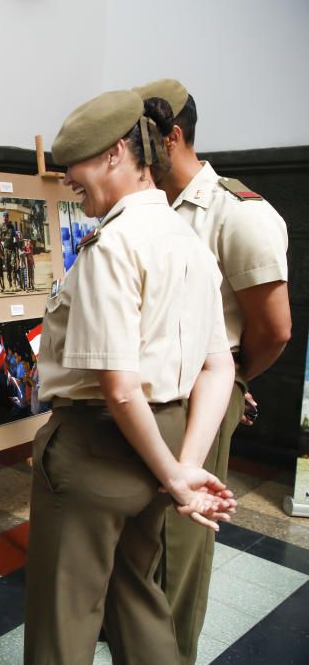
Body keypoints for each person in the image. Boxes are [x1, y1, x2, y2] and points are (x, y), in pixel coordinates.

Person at [24, 89, 238, 664]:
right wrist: (182, 467)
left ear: (118, 152)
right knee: (136, 596)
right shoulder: (190, 242)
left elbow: (118, 388)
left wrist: (176, 475)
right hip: (164, 438)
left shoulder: (111, 246)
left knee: (62, 619)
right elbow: (219, 365)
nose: (69, 178)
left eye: (78, 165)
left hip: (100, 445)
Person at [134, 78, 292, 665]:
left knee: (182, 542)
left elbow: (273, 329)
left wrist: (236, 383)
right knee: (142, 531)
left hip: (203, 391)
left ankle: (172, 652)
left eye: (141, 138)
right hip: (144, 393)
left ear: (173, 136)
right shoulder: (147, 208)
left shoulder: (238, 215)